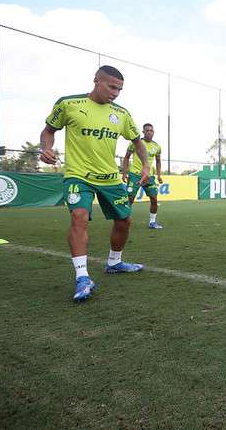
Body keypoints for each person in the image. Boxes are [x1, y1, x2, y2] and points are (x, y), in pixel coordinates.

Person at [39, 65, 149, 303]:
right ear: (96, 81)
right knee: (79, 216)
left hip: (110, 177)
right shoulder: (68, 104)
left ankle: (114, 263)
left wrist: (147, 167)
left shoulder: (122, 114)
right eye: (112, 87)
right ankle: (82, 277)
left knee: (124, 220)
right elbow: (49, 131)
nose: (116, 93)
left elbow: (138, 142)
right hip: (78, 175)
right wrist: (45, 148)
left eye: (120, 89)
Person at [122, 123, 163, 228]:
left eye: (151, 130)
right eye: (147, 130)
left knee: (154, 199)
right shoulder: (136, 143)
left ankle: (152, 222)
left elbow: (158, 161)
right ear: (143, 132)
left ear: (153, 132)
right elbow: (126, 157)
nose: (149, 132)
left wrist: (158, 175)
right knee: (130, 199)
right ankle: (123, 221)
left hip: (149, 177)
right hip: (135, 174)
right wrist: (125, 172)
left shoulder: (157, 147)